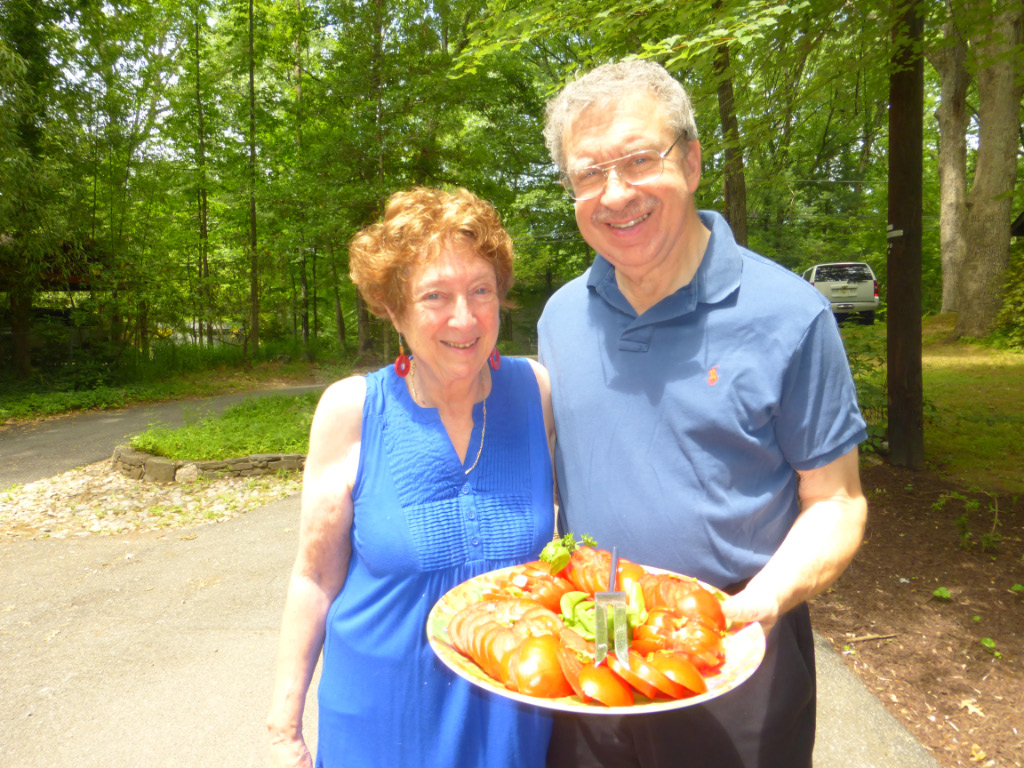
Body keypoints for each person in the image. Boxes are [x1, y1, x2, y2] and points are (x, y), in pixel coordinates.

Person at [537, 60, 869, 767]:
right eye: (589, 173)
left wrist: (764, 599)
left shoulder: (791, 315)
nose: (615, 193)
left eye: (639, 160)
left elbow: (838, 502)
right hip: (595, 640)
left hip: (736, 648)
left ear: (690, 163)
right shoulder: (561, 317)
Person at [267, 187, 556, 768]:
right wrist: (283, 730)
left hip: (511, 720)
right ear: (394, 310)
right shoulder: (352, 411)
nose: (464, 317)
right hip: (384, 724)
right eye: (435, 296)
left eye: (481, 290)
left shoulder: (536, 392)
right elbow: (314, 579)